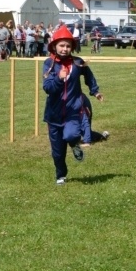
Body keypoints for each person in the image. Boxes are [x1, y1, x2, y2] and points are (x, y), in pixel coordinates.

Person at [42, 25, 104, 185]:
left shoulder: (78, 63)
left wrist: (95, 91)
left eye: (68, 46)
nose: (65, 49)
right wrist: (58, 78)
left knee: (71, 135)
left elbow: (89, 76)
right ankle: (60, 175)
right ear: (54, 46)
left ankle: (74, 144)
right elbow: (47, 88)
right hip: (53, 114)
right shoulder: (49, 63)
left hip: (73, 110)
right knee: (57, 152)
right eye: (61, 45)